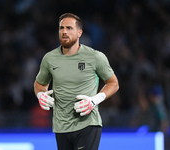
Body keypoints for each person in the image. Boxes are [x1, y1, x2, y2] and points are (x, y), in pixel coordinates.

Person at [34, 13, 119, 150]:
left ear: (79, 32)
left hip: (87, 124)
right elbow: (39, 84)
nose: (64, 32)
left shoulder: (95, 57)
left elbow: (113, 83)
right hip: (61, 127)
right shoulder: (49, 58)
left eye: (69, 28)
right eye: (61, 28)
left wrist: (94, 100)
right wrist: (40, 95)